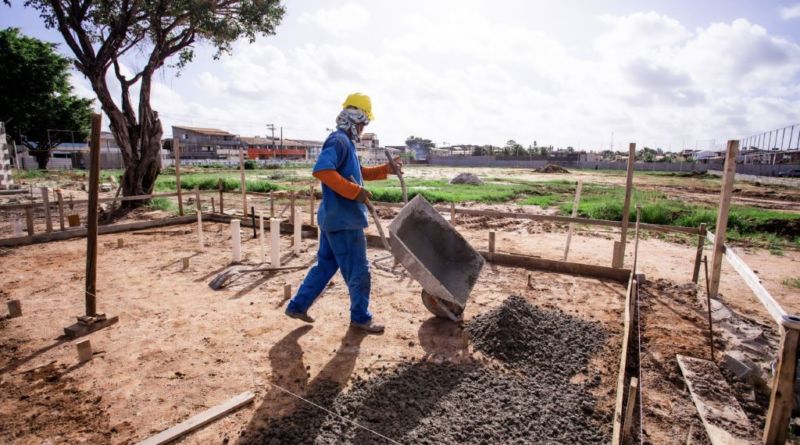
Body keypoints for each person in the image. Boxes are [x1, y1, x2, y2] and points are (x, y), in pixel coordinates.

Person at [285, 93, 402, 333]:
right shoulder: (338, 141)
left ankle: (298, 305)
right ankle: (360, 317)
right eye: (363, 123)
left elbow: (358, 172)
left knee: (325, 265)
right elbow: (323, 171)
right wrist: (353, 192)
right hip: (344, 221)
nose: (363, 128)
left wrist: (385, 169)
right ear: (355, 119)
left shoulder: (346, 143)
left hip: (333, 220)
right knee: (359, 270)